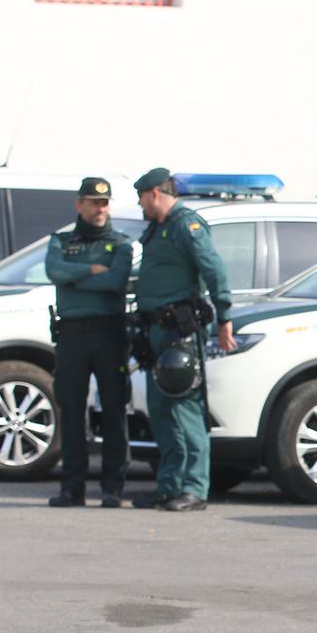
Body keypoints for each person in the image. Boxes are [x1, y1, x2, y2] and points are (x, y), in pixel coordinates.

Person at [131, 167, 235, 512]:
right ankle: (170, 486)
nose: (140, 205)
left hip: (180, 332)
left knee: (186, 408)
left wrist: (225, 317)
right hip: (156, 331)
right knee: (162, 411)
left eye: (142, 198)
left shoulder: (185, 224)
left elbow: (213, 268)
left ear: (155, 194)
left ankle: (194, 488)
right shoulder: (160, 227)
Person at [44, 177, 133, 508]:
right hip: (71, 334)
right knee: (70, 409)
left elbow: (116, 280)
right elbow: (54, 271)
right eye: (94, 202)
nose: (101, 208)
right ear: (79, 204)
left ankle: (113, 487)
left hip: (109, 333)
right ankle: (72, 487)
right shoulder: (62, 241)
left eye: (105, 203)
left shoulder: (120, 243)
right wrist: (92, 269)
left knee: (113, 408)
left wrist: (77, 276)